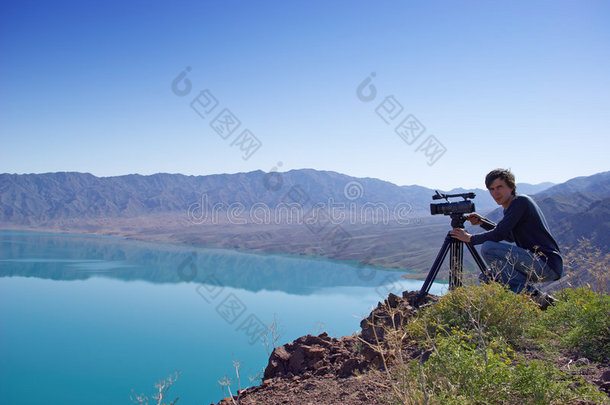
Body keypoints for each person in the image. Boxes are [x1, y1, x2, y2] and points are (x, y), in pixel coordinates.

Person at [449, 169, 563, 308]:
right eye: (491, 189)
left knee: (488, 248)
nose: (496, 193)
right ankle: (539, 302)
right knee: (488, 277)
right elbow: (509, 237)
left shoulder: (521, 202)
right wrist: (483, 222)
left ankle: (531, 294)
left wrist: (470, 238)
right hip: (536, 264)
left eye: (499, 187)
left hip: (546, 263)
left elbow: (499, 234)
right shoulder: (510, 208)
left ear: (511, 186)